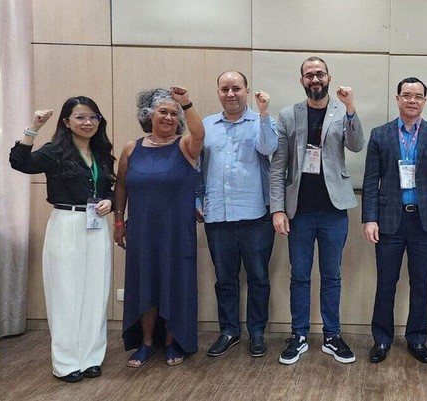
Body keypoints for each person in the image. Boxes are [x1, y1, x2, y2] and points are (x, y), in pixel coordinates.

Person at [9, 97, 115, 382]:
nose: (88, 123)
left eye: (93, 117)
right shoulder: (55, 151)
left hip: (96, 225)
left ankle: (92, 357)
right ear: (66, 122)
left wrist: (111, 201)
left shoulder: (102, 151)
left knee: (96, 292)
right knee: (65, 294)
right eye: (80, 117)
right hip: (66, 222)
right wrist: (33, 127)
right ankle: (67, 362)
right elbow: (19, 163)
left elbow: (112, 187)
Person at [270, 56, 364, 365]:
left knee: (331, 275)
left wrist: (351, 108)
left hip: (334, 209)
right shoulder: (288, 115)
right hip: (300, 211)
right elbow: (278, 165)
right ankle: (298, 335)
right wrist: (277, 210)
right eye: (309, 75)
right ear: (302, 81)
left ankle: (332, 336)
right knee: (299, 275)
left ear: (328, 78)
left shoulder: (341, 110)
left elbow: (356, 144)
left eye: (320, 74)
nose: (315, 79)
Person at [362, 77, 427, 364]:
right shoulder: (380, 134)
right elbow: (370, 181)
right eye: (406, 95)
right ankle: (381, 339)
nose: (412, 100)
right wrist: (369, 219)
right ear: (397, 98)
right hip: (389, 220)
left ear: (424, 101)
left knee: (420, 284)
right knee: (386, 283)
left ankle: (417, 339)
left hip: (423, 222)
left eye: (418, 96)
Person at [114, 86, 204, 368]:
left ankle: (172, 341)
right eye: (162, 111)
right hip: (142, 231)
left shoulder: (185, 146)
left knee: (175, 282)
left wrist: (186, 104)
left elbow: (199, 133)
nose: (168, 117)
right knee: (145, 283)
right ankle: (147, 342)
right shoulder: (132, 148)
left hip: (176, 232)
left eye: (173, 114)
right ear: (148, 114)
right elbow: (121, 186)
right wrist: (118, 221)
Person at [200, 71, 277, 358]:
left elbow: (269, 148)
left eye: (236, 88)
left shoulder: (262, 121)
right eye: (225, 89)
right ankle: (229, 331)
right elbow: (196, 166)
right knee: (225, 278)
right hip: (217, 215)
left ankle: (257, 333)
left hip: (256, 215)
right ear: (218, 92)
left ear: (247, 90)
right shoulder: (207, 125)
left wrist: (265, 112)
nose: (230, 94)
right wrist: (198, 199)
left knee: (258, 276)